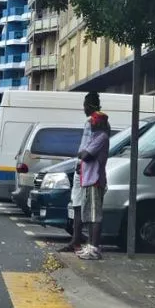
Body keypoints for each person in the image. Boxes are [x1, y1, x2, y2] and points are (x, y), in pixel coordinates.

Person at [65, 91, 111, 260]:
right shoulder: (97, 136)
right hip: (88, 178)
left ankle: (94, 248)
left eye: (93, 122)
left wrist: (83, 154)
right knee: (89, 216)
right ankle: (90, 246)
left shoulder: (101, 137)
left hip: (95, 179)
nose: (90, 124)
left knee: (94, 216)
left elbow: (85, 155)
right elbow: (83, 154)